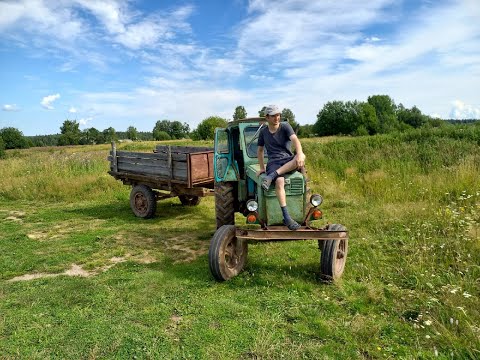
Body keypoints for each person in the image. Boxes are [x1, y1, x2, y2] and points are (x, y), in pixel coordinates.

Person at [256, 105, 306, 230]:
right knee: (279, 181)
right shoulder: (263, 132)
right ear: (267, 117)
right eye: (273, 115)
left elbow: (295, 140)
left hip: (288, 160)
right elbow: (260, 150)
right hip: (274, 162)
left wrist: (299, 153)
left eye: (278, 115)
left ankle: (272, 175)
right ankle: (287, 217)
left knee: (302, 157)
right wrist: (262, 167)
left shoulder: (285, 126)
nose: (276, 118)